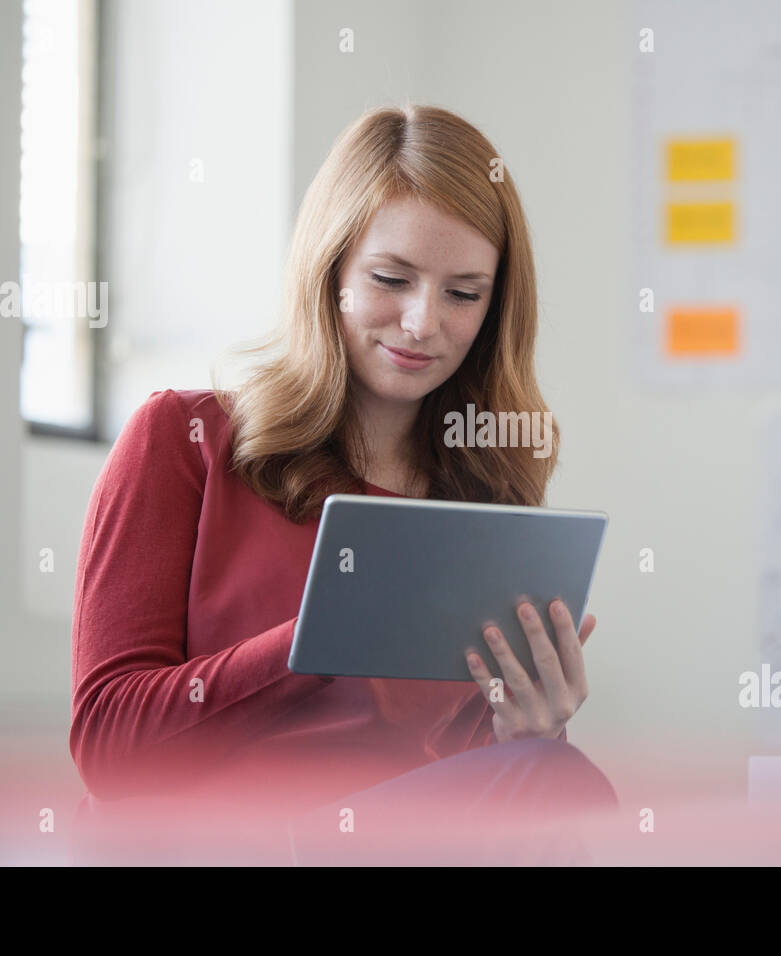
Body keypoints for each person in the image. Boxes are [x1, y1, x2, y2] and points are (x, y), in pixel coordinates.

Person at [68, 103, 616, 864]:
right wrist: (317, 638)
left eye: (464, 294)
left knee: (552, 778)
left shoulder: (481, 504)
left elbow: (477, 786)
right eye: (392, 279)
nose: (423, 323)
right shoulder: (183, 440)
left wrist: (525, 729)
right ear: (330, 274)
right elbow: (108, 750)